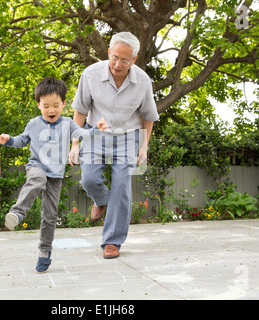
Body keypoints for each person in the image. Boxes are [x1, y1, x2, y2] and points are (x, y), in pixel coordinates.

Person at [0, 77, 107, 273]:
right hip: (37, 166)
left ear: (63, 103)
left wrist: (96, 128)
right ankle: (18, 212)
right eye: (46, 106)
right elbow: (21, 140)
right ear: (38, 105)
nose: (51, 110)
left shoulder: (69, 123)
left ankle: (45, 251)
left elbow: (82, 135)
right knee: (37, 179)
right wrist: (8, 140)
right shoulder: (33, 123)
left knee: (50, 215)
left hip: (56, 175)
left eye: (56, 105)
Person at [69, 32, 159, 259]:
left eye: (125, 60)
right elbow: (79, 111)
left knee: (121, 187)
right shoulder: (90, 75)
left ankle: (112, 242)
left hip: (128, 136)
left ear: (134, 60)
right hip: (95, 133)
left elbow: (148, 116)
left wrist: (144, 146)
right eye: (115, 57)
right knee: (89, 179)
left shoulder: (143, 81)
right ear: (108, 52)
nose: (118, 64)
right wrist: (75, 143)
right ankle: (101, 200)